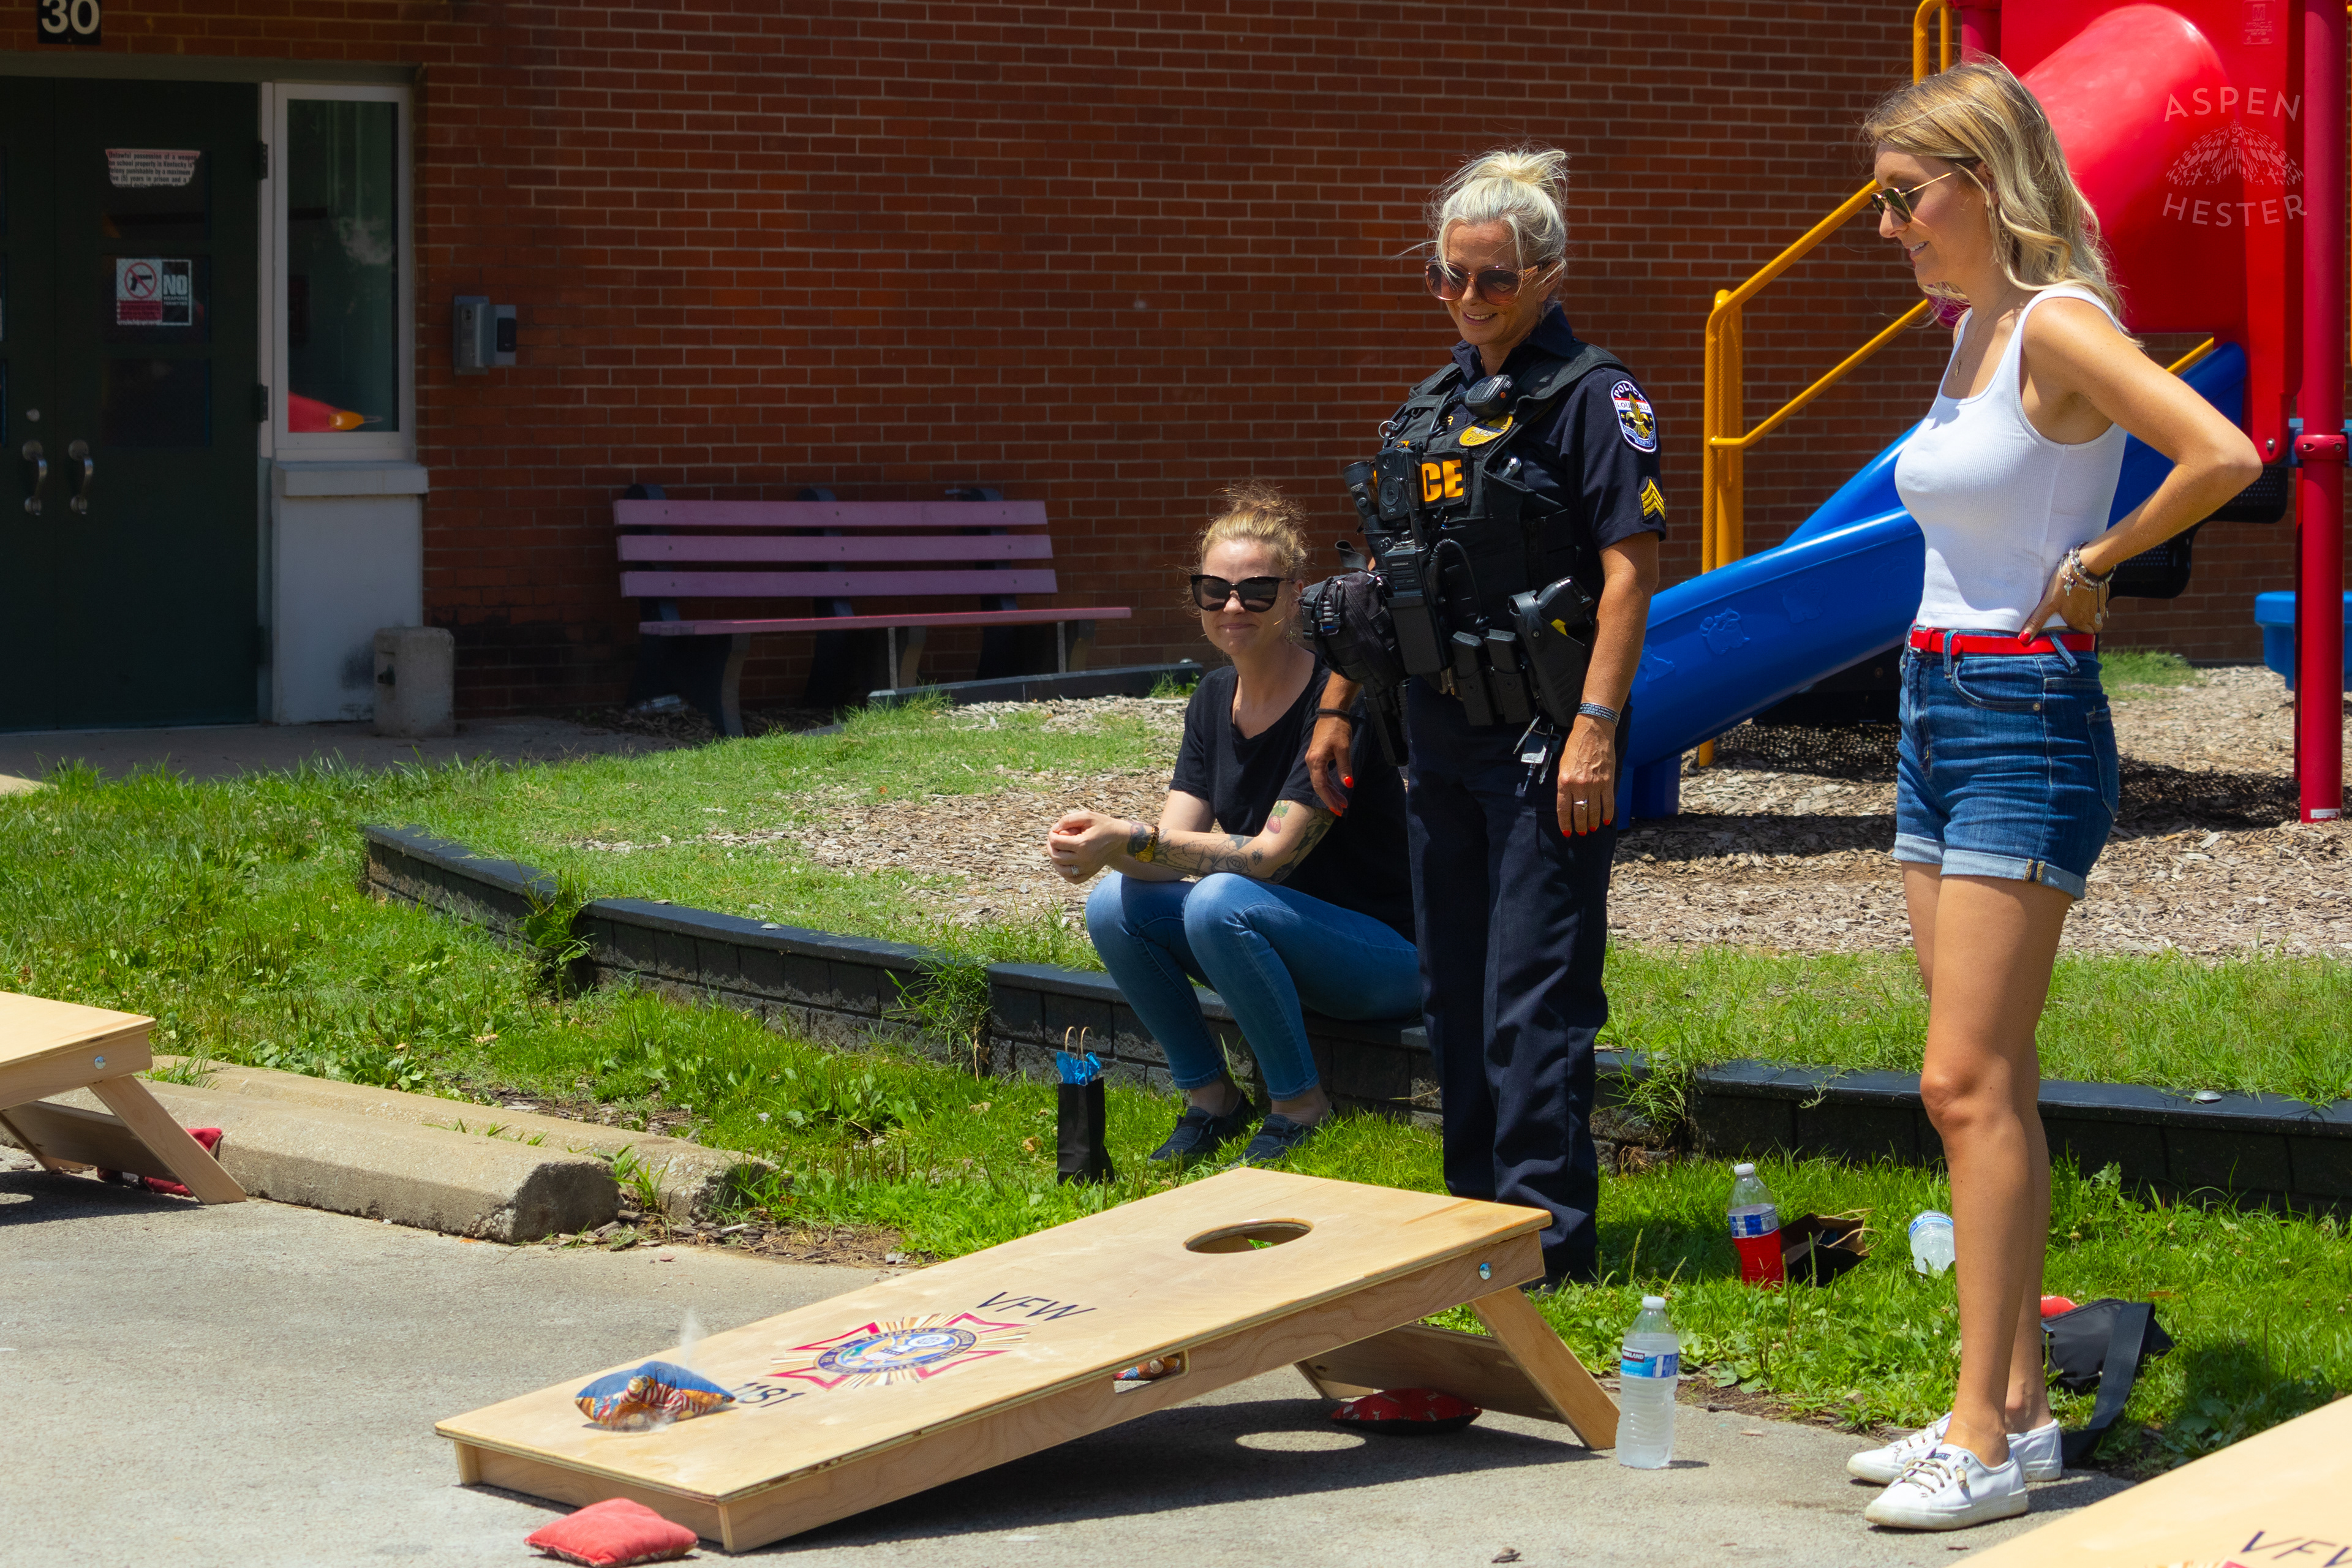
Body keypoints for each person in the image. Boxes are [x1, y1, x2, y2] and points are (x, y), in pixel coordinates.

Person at [1841, 62, 2260, 1532]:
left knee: (1957, 1083)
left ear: (1985, 181)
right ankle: (2010, 1411)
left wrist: (2092, 566)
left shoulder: (2059, 321)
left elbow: (2220, 450)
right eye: (1879, 198)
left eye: (1905, 195)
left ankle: (1979, 1425)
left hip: (2020, 707)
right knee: (1985, 1082)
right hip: (1934, 701)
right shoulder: (1965, 336)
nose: (1887, 224)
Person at [1305, 147, 1664, 1288]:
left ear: (1548, 273)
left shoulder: (1595, 400)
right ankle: (1473, 1227)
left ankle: (1546, 1244)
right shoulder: (1435, 407)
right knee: (1453, 993)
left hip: (1543, 742)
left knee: (1532, 996)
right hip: (1437, 742)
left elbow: (1629, 574)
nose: (1468, 299)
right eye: (1449, 279)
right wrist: (1335, 711)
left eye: (1492, 280)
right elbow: (1386, 581)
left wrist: (1597, 728)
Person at [1044, 484, 1419, 1167]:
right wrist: (1101, 850)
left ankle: (1301, 1107)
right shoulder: (1214, 697)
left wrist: (1127, 837)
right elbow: (1167, 852)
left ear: (1296, 595)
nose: (1233, 607)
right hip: (1279, 939)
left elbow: (1272, 856)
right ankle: (1212, 1098)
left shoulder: (1337, 707)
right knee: (1113, 904)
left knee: (1221, 900)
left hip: (1384, 958)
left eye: (1257, 590)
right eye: (1214, 590)